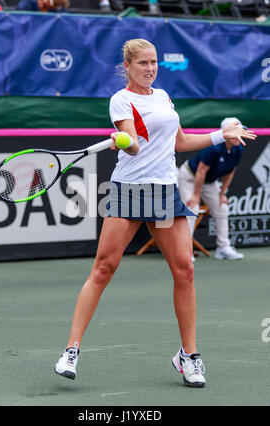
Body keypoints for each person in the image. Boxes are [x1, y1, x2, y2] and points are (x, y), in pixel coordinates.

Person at [54, 39, 256, 388]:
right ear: (128, 66)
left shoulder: (162, 97)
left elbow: (180, 143)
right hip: (128, 192)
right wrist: (125, 141)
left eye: (154, 62)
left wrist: (220, 134)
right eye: (143, 63)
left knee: (185, 271)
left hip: (163, 192)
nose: (150, 68)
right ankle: (71, 349)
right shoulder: (122, 100)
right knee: (104, 269)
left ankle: (188, 356)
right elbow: (132, 144)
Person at [178, 117, 247, 260]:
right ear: (226, 133)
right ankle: (186, 251)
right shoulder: (214, 148)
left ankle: (223, 248)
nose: (238, 135)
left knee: (222, 208)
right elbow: (201, 171)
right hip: (190, 177)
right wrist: (196, 195)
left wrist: (223, 193)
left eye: (240, 131)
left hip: (209, 182)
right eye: (235, 131)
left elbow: (230, 172)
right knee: (192, 210)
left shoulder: (239, 148)